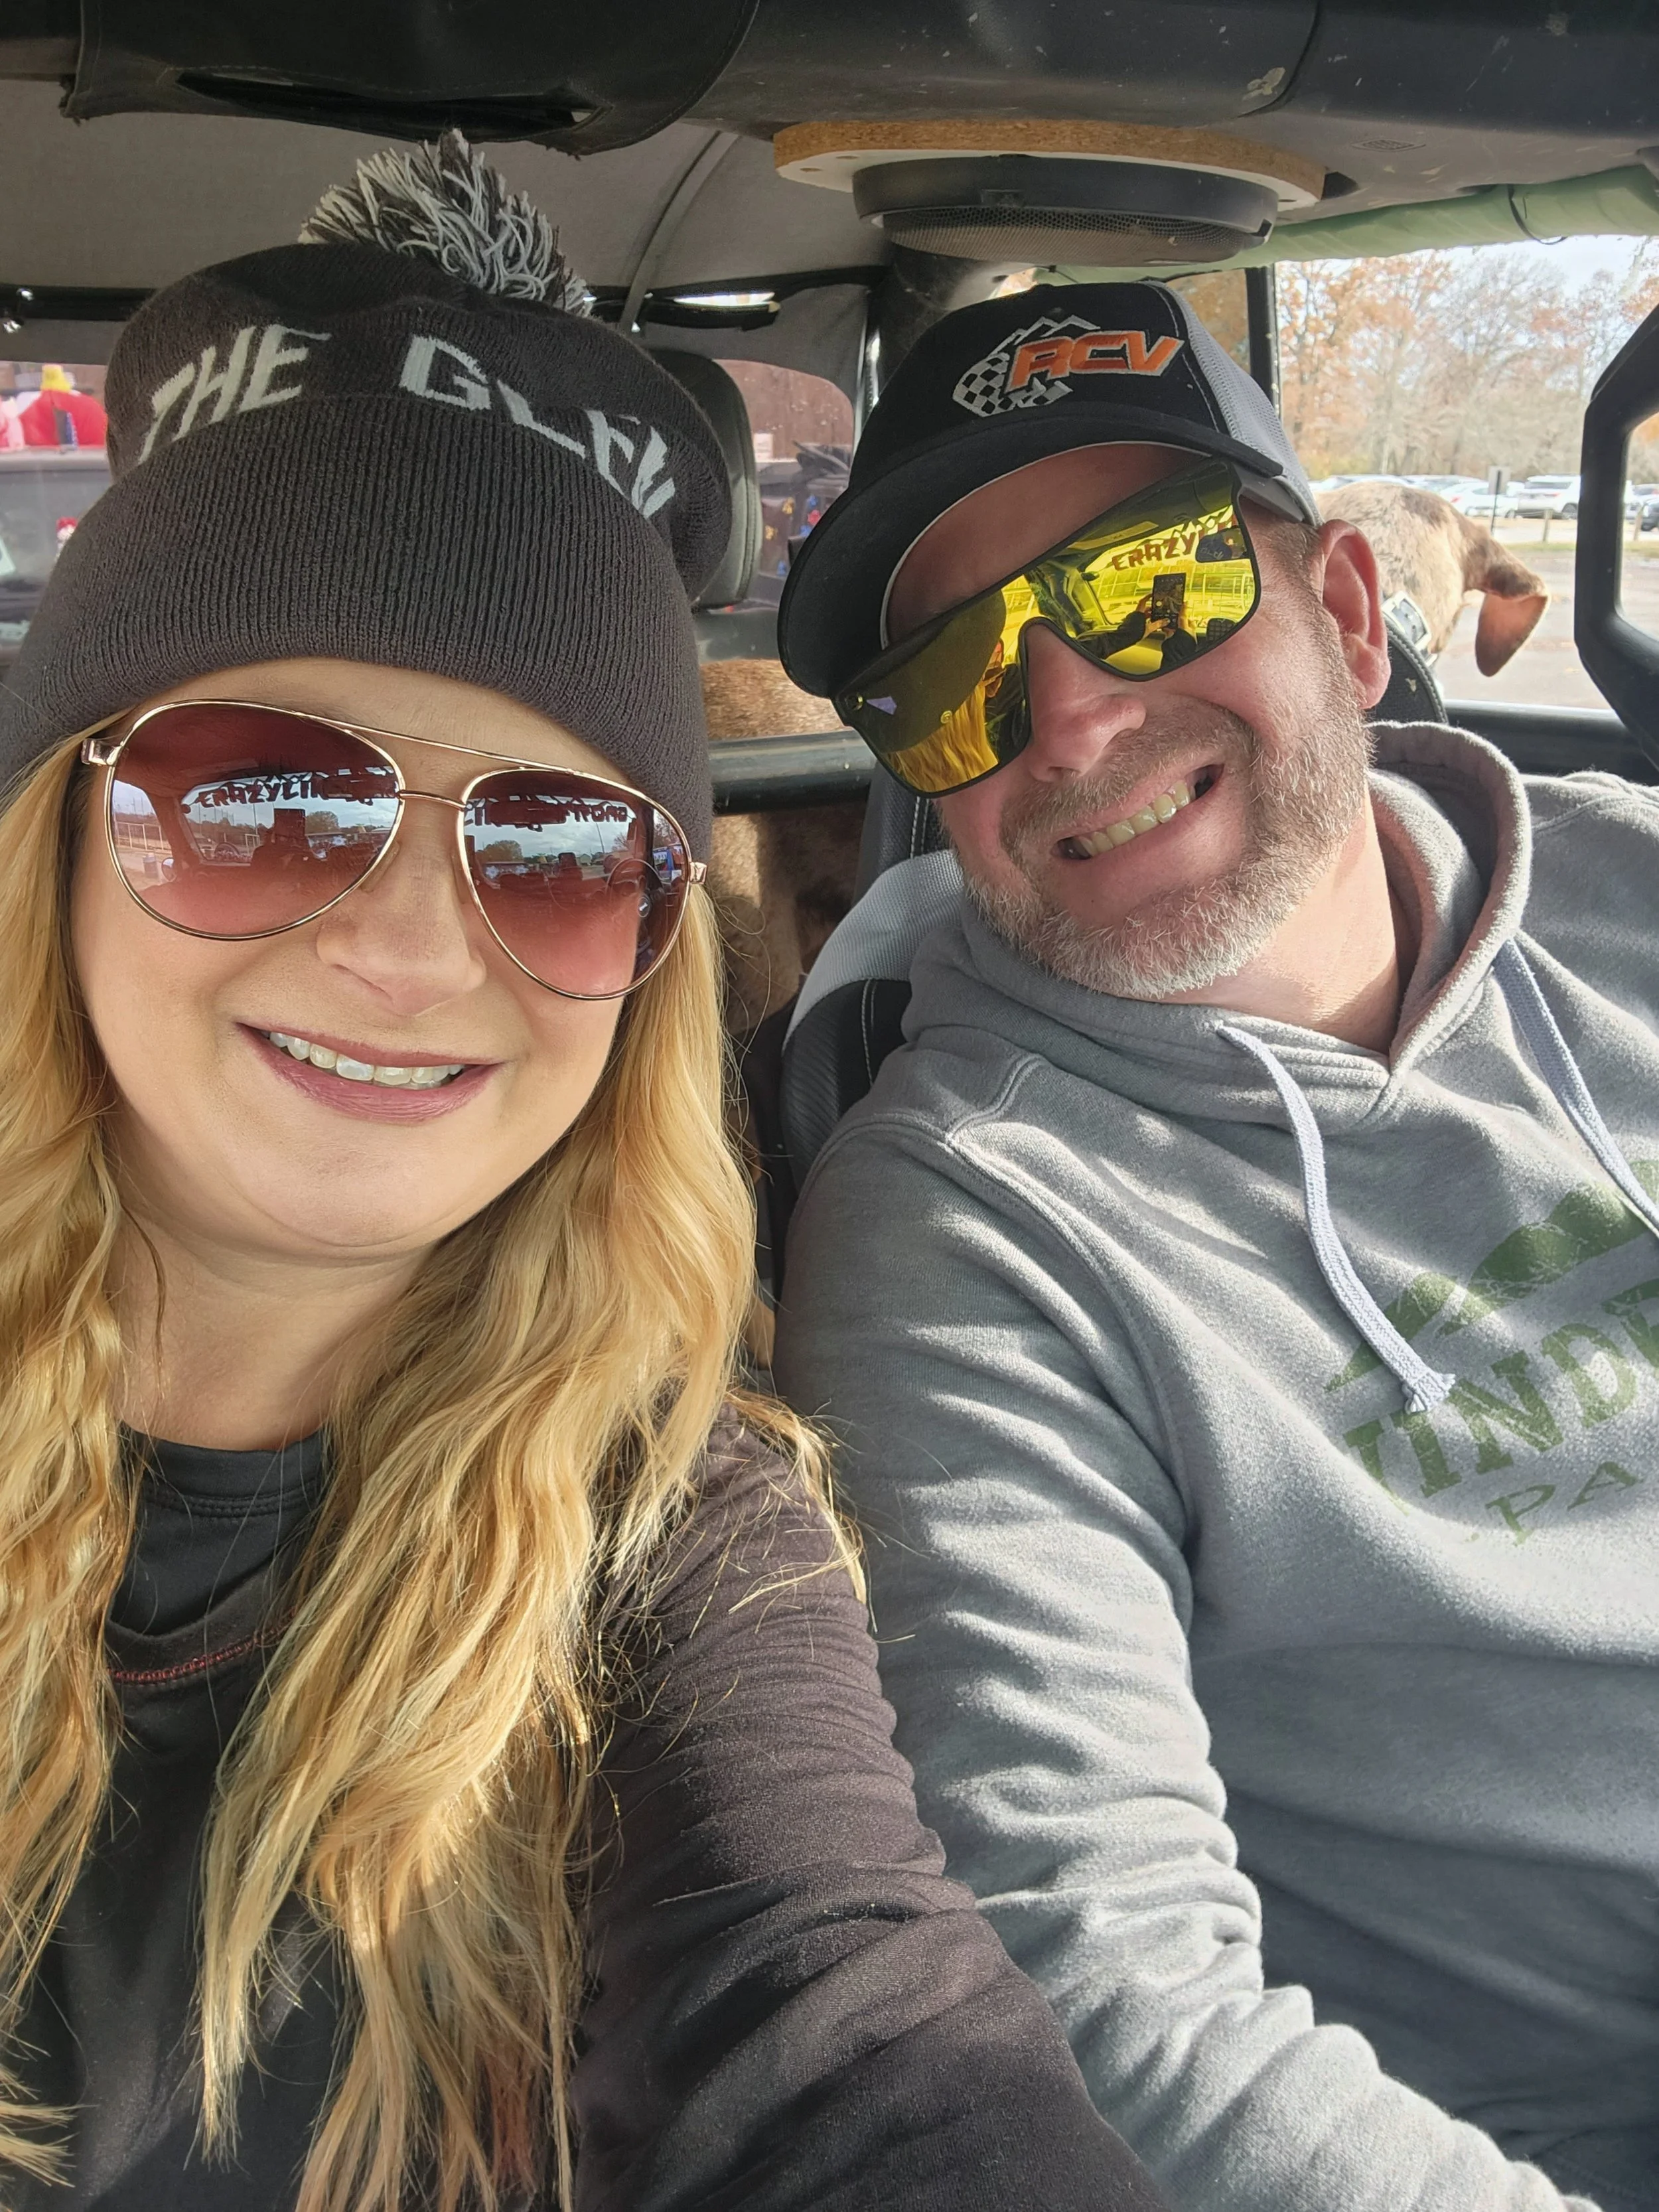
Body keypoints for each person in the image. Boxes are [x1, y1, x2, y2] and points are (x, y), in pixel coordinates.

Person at [0, 157, 1167, 2212]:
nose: (413, 950)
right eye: (270, 800)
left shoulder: (673, 1531)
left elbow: (856, 2024)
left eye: (549, 848)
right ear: (67, 837)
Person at [773, 277, 1659, 2212]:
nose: (1071, 713)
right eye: (958, 682)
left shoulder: (1632, 888)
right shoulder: (970, 1220)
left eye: (1152, 586)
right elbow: (1105, 1987)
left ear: (1344, 609)